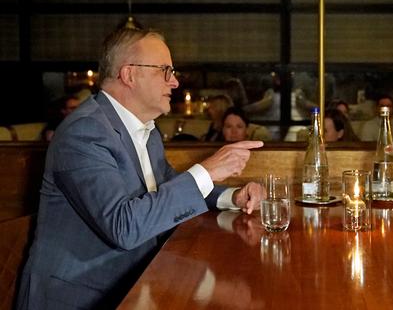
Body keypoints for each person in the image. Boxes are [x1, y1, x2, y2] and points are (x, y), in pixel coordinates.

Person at [17, 27, 265, 310]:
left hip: (138, 282)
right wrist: (206, 171)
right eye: (165, 71)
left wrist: (231, 197)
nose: (174, 83)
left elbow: (167, 183)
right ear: (129, 74)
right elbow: (124, 227)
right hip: (83, 296)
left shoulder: (146, 129)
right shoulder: (83, 133)